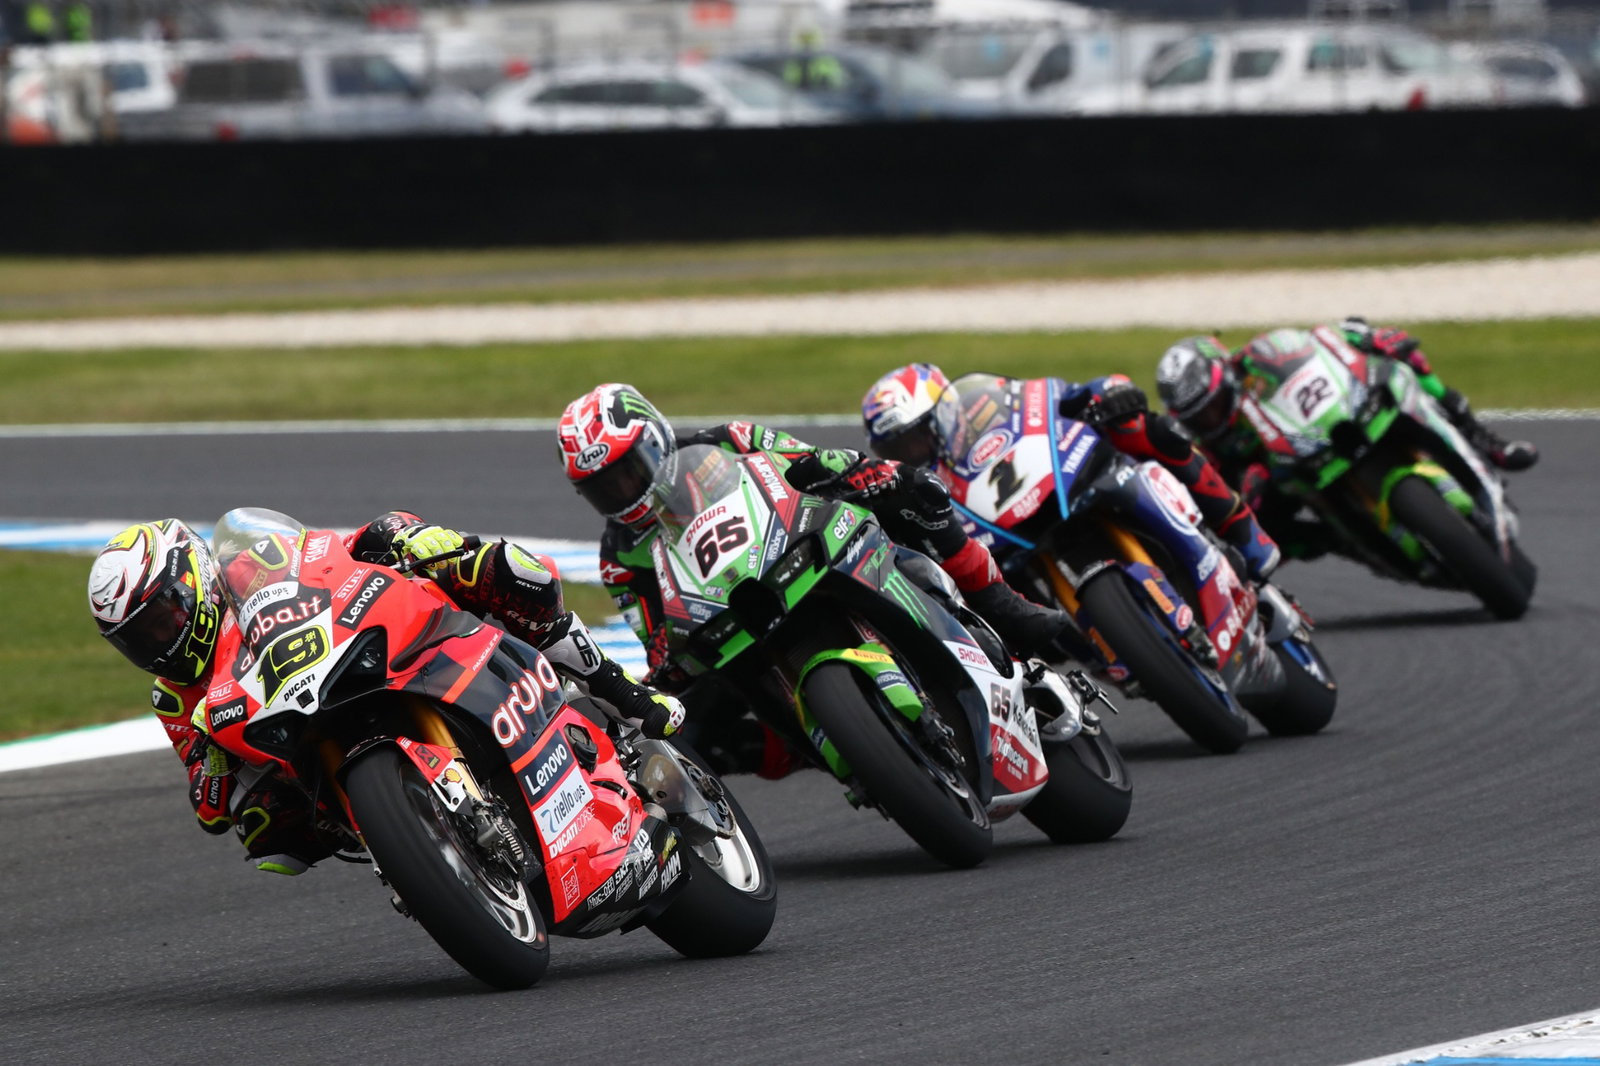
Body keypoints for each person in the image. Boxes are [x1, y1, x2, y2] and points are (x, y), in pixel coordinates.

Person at [88, 514, 685, 876]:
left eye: (161, 621)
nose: (157, 644)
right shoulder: (175, 699)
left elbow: (328, 552)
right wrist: (211, 763)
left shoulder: (251, 564)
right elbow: (210, 809)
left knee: (501, 569)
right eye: (138, 640)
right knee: (262, 827)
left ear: (192, 578)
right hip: (299, 743)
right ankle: (403, 842)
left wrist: (399, 537)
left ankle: (619, 692)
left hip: (358, 653)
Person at [555, 383, 1075, 777]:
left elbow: (808, 462)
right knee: (690, 732)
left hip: (804, 547)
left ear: (656, 438)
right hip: (735, 623)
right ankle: (835, 747)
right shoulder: (618, 555)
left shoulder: (729, 440)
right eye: (604, 488)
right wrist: (668, 669)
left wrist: (871, 475)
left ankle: (999, 605)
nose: (624, 491)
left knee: (915, 499)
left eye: (630, 470)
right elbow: (653, 635)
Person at [860, 363, 1283, 583]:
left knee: (1138, 426)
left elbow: (1057, 396)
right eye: (896, 450)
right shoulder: (921, 492)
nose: (911, 454)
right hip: (1003, 542)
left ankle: (1239, 526)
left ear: (944, 412)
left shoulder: (986, 408)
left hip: (1057, 482)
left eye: (915, 438)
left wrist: (1109, 392)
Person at [1154, 320, 1538, 559]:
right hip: (1295, 479)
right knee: (1260, 533)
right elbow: (1219, 498)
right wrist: (1247, 496)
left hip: (1337, 423)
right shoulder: (1206, 446)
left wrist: (1367, 337)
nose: (1210, 418)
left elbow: (1324, 340)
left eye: (1213, 405)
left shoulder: (1261, 357)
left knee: (1404, 358)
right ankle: (1344, 542)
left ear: (1227, 375)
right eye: (1198, 416)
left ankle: (1484, 440)